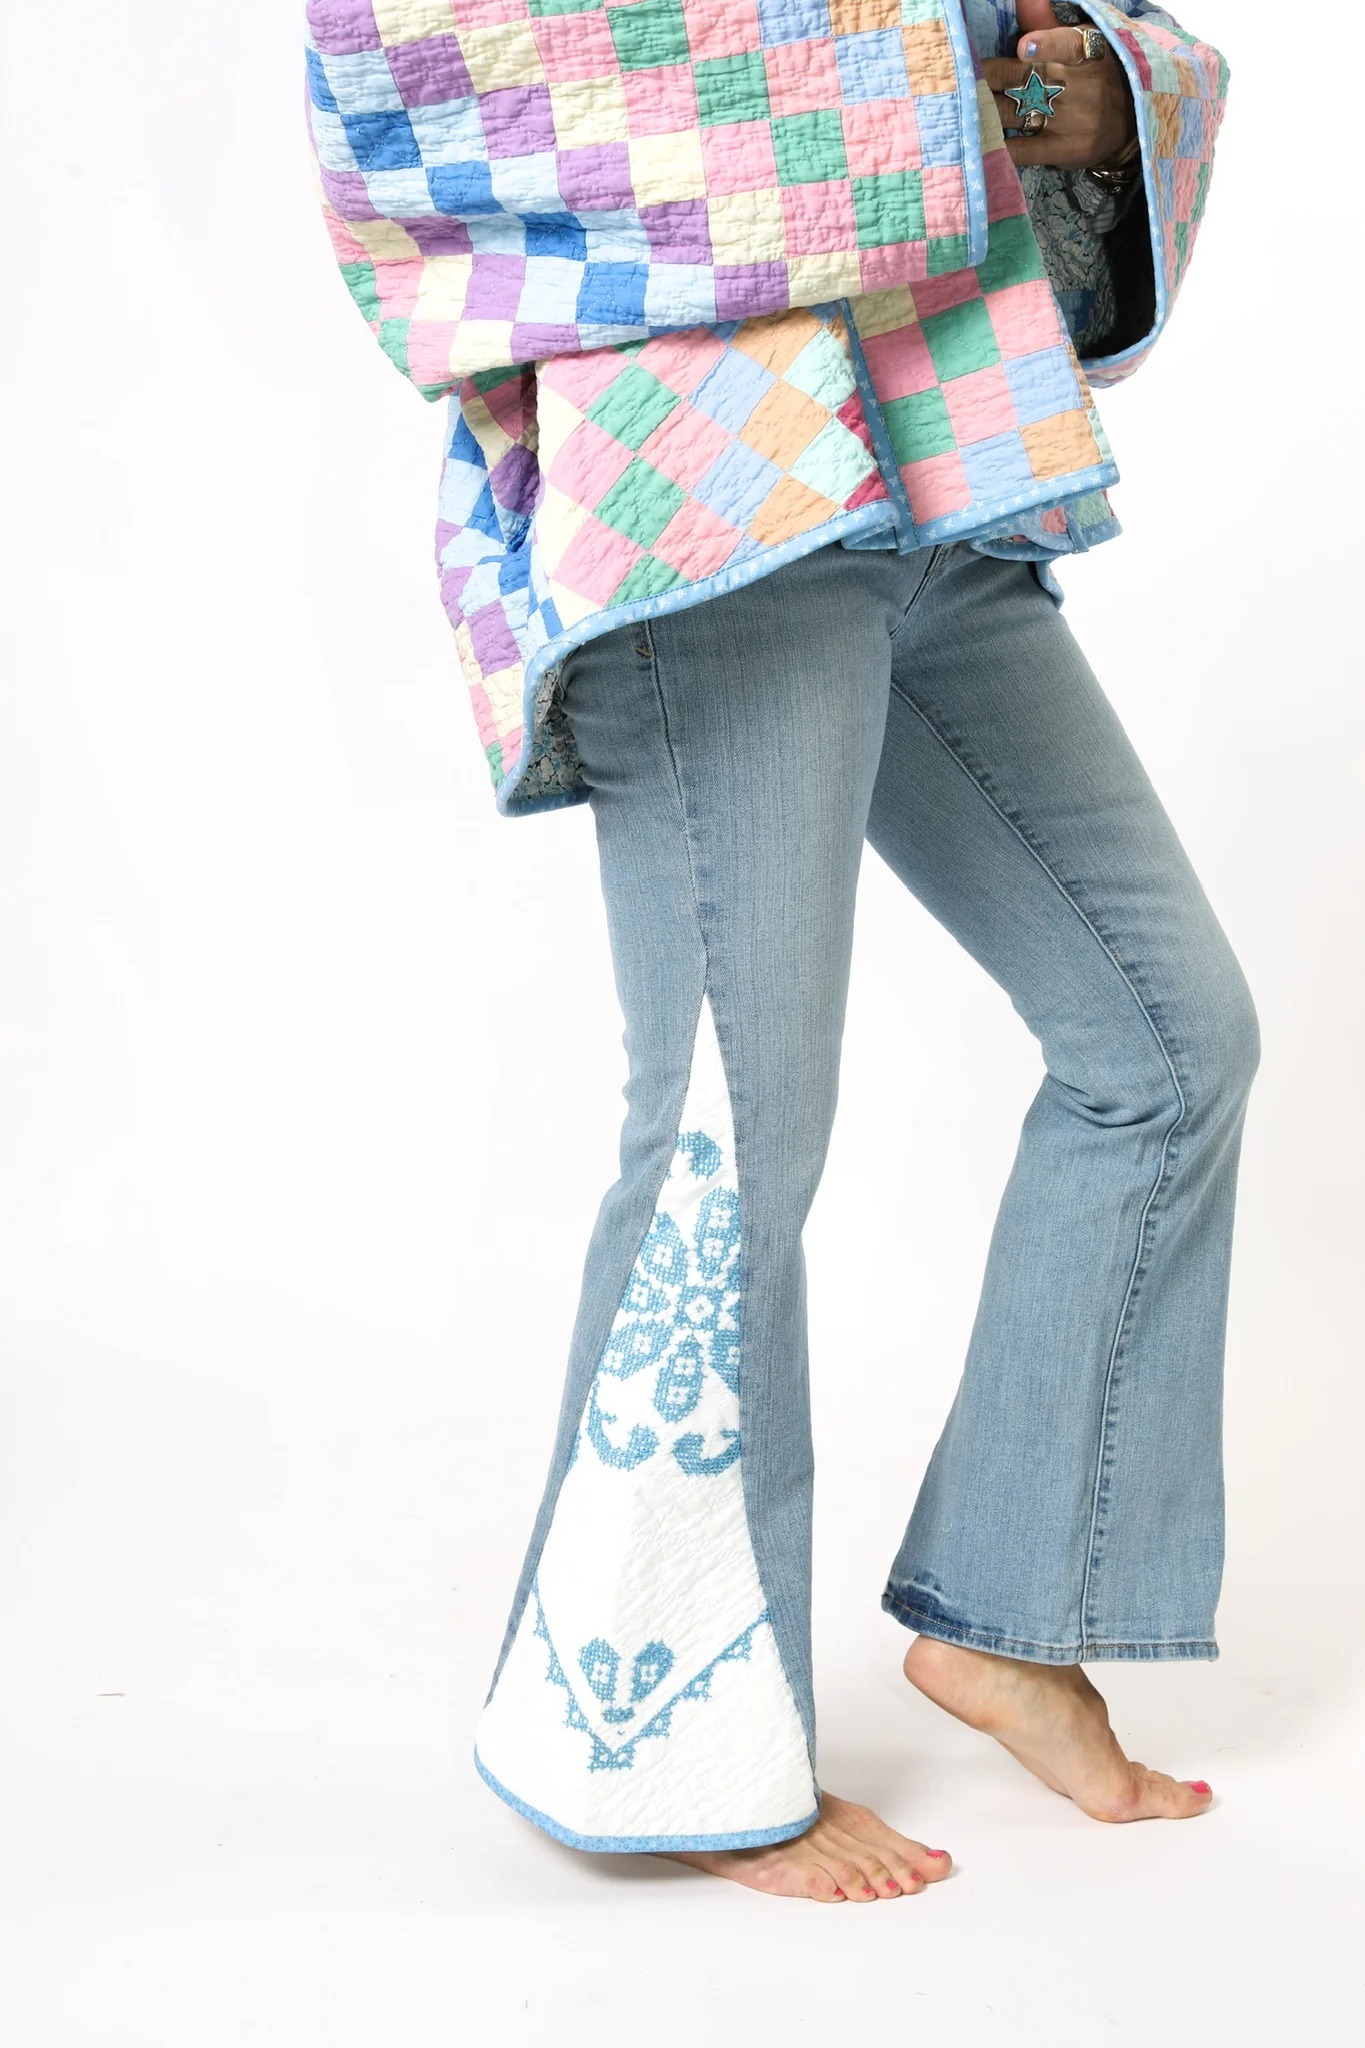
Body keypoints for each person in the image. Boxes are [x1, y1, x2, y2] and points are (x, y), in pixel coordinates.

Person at [305, 0, 1254, 1901]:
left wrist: (1102, 87)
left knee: (1167, 1044)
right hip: (706, 492)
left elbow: (1073, 43)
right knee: (731, 1135)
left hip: (945, 473)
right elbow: (409, 83)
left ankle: (1009, 1618)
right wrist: (922, 75)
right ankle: (657, 1749)